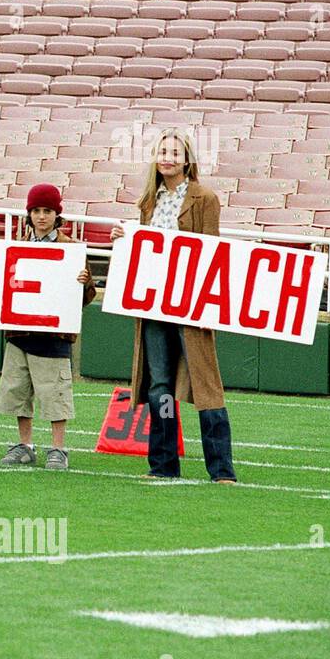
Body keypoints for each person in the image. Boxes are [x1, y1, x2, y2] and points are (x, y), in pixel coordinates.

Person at [110, 131, 238, 484]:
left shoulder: (205, 198)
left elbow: (210, 252)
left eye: (174, 152)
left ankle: (221, 468)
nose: (167, 157)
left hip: (190, 304)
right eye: (161, 151)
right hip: (154, 305)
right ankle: (163, 464)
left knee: (206, 384)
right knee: (160, 385)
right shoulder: (147, 202)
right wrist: (125, 239)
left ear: (187, 159)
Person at [0, 183, 95, 469]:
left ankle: (59, 447)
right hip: (20, 332)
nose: (42, 216)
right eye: (37, 211)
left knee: (54, 393)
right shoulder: (15, 247)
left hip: (53, 335)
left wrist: (84, 282)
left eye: (48, 211)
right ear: (29, 214)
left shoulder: (71, 249)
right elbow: (6, 288)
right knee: (18, 391)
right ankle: (25, 443)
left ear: (57, 214)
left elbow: (84, 297)